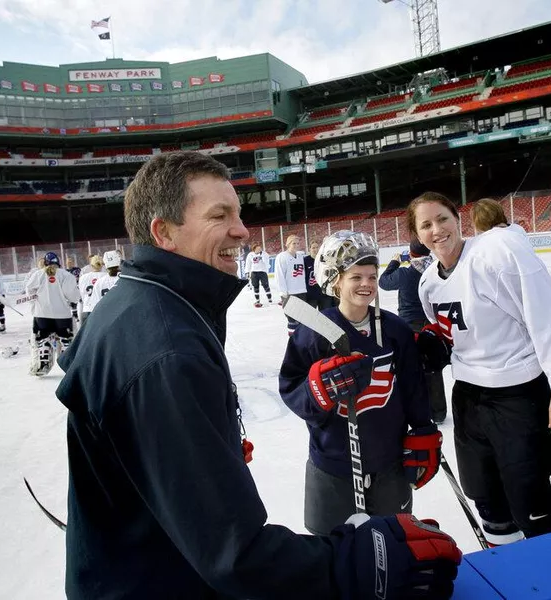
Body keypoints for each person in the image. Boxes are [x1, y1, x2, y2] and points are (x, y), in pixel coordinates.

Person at [55, 152, 461, 600]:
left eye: (239, 214)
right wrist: (354, 564)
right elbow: (236, 555)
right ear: (163, 232)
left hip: (153, 566)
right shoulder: (169, 348)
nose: (242, 230)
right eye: (219, 215)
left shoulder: (140, 306)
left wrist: (206, 442)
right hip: (162, 581)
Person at [407, 190, 551, 546]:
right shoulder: (428, 282)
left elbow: (545, 313)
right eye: (425, 225)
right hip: (468, 398)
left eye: (442, 218)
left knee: (532, 497)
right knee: (485, 493)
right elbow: (453, 335)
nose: (437, 230)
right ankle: (510, 569)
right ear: (417, 234)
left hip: (518, 395)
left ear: (459, 219)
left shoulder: (495, 253)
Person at [279, 230, 441, 537]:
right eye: (356, 277)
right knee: (331, 554)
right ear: (336, 281)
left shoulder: (395, 329)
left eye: (371, 275)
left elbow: (412, 387)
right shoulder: (315, 330)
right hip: (332, 464)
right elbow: (291, 386)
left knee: (392, 547)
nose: (366, 284)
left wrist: (423, 429)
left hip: (388, 461)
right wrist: (318, 390)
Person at [378, 238, 447, 423]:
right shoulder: (436, 269)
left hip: (409, 326)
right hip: (432, 324)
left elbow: (383, 282)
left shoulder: (404, 274)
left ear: (411, 253)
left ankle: (414, 410)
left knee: (409, 368)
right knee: (433, 368)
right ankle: (438, 411)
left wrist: (394, 262)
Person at [25, 252, 80, 376]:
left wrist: (37, 300)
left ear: (45, 262)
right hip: (62, 315)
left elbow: (29, 290)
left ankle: (42, 365)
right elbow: (73, 296)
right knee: (66, 341)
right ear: (58, 262)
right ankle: (69, 366)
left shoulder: (38, 274)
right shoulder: (66, 275)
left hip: (42, 315)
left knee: (43, 340)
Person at [274, 234, 308, 335]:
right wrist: (283, 292)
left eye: (298, 243)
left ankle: (301, 339)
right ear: (288, 244)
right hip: (289, 292)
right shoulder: (282, 257)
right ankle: (293, 340)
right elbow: (279, 275)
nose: (296, 245)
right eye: (294, 243)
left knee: (302, 318)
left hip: (301, 291)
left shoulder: (301, 256)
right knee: (292, 319)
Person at [77, 254, 105, 329]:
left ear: (91, 265)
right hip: (102, 311)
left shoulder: (83, 278)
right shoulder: (106, 276)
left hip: (87, 310)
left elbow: (82, 295)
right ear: (102, 265)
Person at [244, 242, 272, 307]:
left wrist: (262, 255)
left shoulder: (264, 254)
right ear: (254, 249)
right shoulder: (250, 255)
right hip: (254, 273)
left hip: (262, 272)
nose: (259, 250)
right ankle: (257, 300)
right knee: (255, 286)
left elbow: (267, 262)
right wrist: (247, 272)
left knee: (266, 286)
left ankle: (270, 299)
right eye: (258, 249)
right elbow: (248, 264)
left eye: (260, 248)